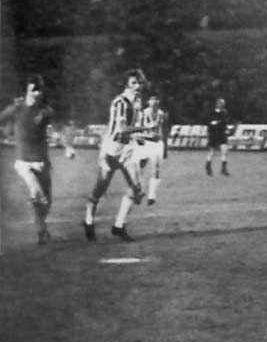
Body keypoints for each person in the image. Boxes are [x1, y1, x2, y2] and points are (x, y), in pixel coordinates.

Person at [0, 74, 72, 244]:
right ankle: (40, 226)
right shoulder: (16, 108)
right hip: (23, 162)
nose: (38, 93)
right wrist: (8, 130)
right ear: (27, 89)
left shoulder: (45, 111)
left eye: (40, 89)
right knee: (37, 194)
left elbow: (57, 131)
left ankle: (41, 229)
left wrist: (67, 146)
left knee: (46, 202)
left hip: (42, 161)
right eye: (34, 89)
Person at [82, 69, 149, 242]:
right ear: (127, 84)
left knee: (137, 189)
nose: (138, 86)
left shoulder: (138, 102)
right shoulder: (120, 102)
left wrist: (142, 138)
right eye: (134, 83)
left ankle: (119, 226)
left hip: (127, 150)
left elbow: (131, 130)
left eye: (140, 82)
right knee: (100, 189)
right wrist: (144, 129)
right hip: (111, 150)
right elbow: (122, 129)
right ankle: (88, 220)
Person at [132, 95, 168, 204]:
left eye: (156, 100)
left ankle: (151, 195)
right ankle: (140, 190)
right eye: (152, 100)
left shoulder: (161, 114)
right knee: (139, 168)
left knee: (156, 170)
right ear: (148, 102)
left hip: (156, 144)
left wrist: (165, 145)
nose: (154, 102)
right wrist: (140, 138)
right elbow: (138, 128)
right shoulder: (143, 114)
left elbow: (163, 130)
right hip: (145, 142)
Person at [205, 97, 230, 176]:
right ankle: (208, 165)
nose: (221, 105)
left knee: (224, 151)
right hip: (213, 134)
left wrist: (217, 123)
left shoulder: (225, 112)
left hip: (221, 133)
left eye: (222, 104)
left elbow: (224, 122)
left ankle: (224, 168)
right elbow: (208, 122)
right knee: (212, 151)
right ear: (217, 104)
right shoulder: (211, 112)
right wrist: (212, 124)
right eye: (220, 103)